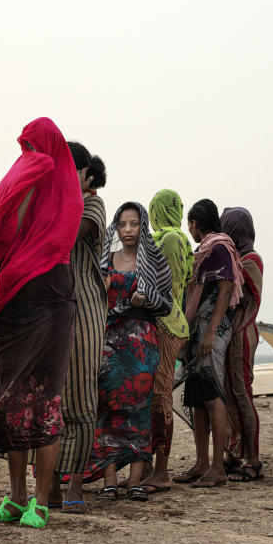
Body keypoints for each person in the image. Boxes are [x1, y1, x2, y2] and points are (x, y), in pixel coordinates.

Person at [0, 117, 81, 529]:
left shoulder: (66, 192)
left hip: (49, 295)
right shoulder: (23, 179)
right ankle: (15, 498)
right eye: (24, 147)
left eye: (34, 146)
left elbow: (46, 238)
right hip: (14, 297)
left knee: (46, 400)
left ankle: (42, 501)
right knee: (10, 395)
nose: (28, 154)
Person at [83, 203, 172, 501]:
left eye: (135, 224)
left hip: (142, 344)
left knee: (138, 411)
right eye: (124, 224)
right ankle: (110, 480)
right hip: (109, 344)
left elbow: (167, 305)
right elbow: (94, 301)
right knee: (107, 409)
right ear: (117, 228)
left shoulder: (155, 261)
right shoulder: (105, 261)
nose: (129, 230)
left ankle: (134, 481)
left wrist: (145, 300)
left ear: (142, 225)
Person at [46, 142, 107, 513]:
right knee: (54, 396)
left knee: (82, 396)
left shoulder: (92, 203)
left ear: (84, 174)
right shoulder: (57, 202)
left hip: (83, 306)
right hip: (53, 306)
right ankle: (51, 484)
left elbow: (66, 237)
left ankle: (77, 485)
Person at [173, 200, 244, 488]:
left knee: (214, 394)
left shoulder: (218, 247)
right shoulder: (206, 250)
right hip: (198, 330)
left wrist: (210, 332)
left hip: (210, 330)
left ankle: (217, 466)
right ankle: (202, 462)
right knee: (198, 396)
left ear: (194, 223)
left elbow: (225, 289)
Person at [141, 190, 193, 493]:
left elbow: (168, 285)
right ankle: (148, 466)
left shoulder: (171, 240)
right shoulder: (170, 238)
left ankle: (161, 471)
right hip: (164, 321)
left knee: (160, 396)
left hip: (166, 322)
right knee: (151, 397)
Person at [220, 206, 265, 481]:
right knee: (230, 395)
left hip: (243, 333)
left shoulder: (251, 259)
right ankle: (233, 452)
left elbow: (242, 297)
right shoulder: (237, 257)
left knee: (242, 393)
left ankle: (253, 458)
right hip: (232, 335)